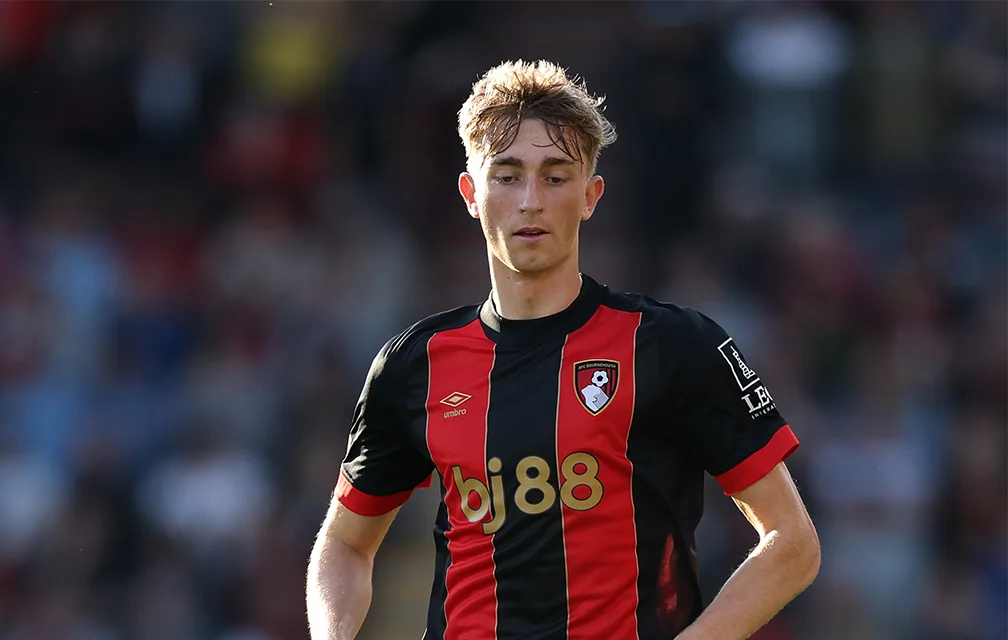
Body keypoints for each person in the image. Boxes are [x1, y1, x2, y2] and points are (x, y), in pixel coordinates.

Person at [306, 59, 820, 640]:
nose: (531, 200)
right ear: (471, 193)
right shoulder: (413, 365)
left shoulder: (672, 346)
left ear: (590, 195)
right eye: (507, 176)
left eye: (555, 177)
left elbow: (793, 543)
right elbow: (344, 544)